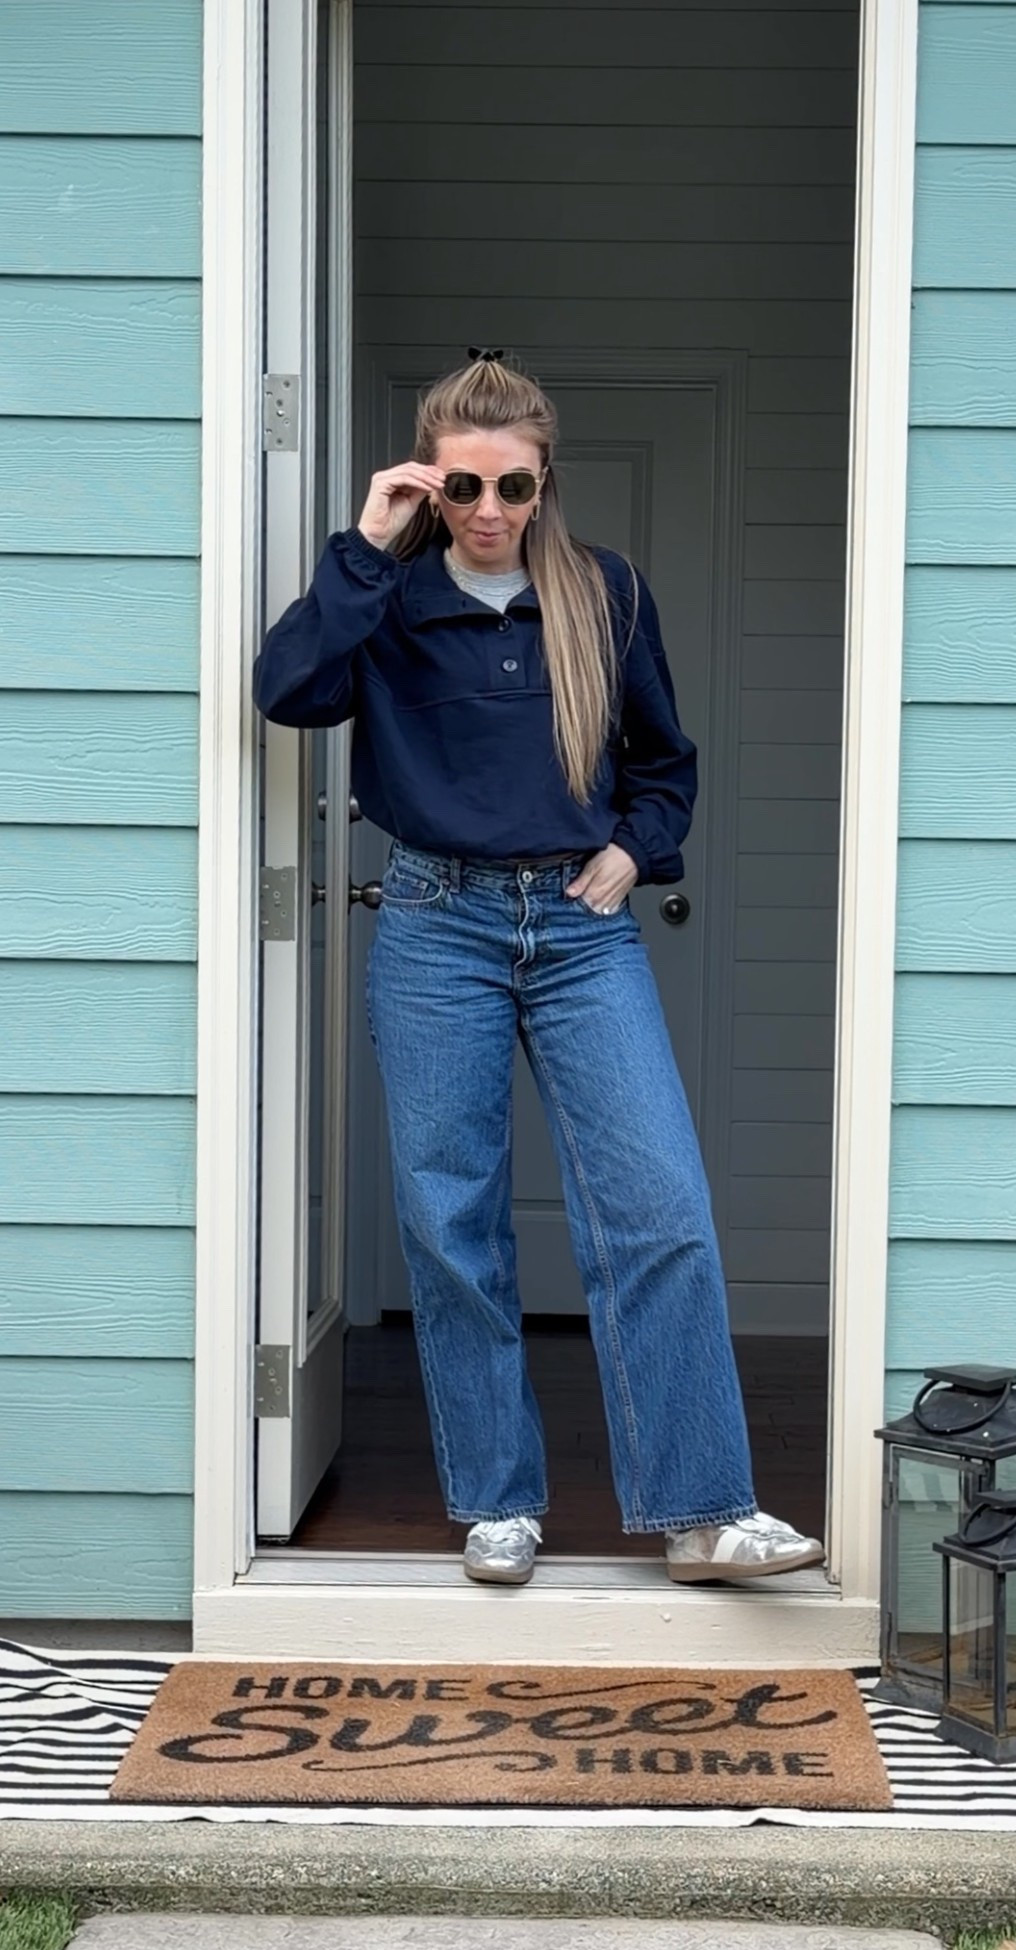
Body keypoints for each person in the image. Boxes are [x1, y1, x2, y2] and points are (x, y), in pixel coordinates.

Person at [253, 349, 825, 1590]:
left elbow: (664, 760)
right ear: (428, 483)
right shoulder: (390, 602)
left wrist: (633, 851)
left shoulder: (604, 596)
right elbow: (288, 689)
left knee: (657, 1201)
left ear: (545, 478)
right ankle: (498, 1500)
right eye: (462, 487)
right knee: (451, 1218)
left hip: (579, 933)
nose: (489, 511)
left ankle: (701, 1513)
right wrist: (365, 539)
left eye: (513, 485)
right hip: (433, 924)